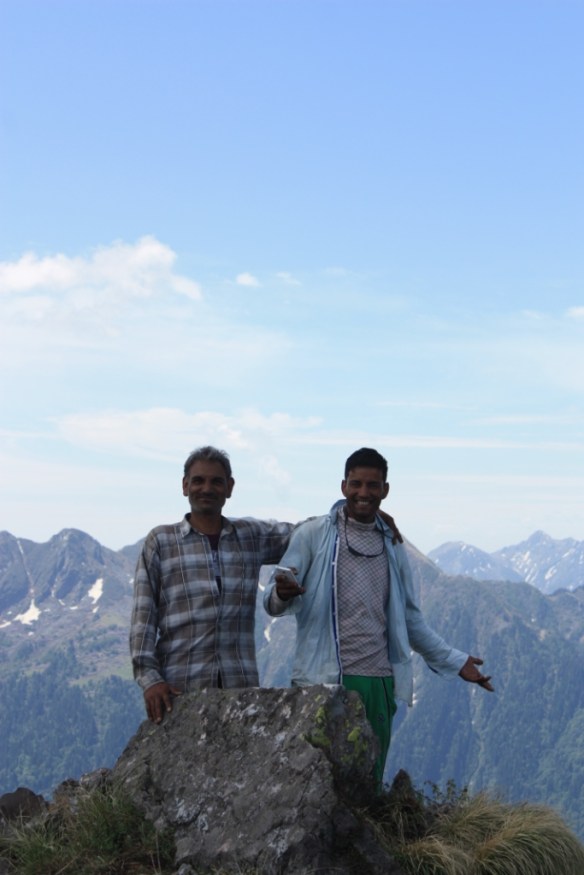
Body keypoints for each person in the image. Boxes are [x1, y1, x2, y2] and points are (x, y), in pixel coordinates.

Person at [264, 447, 493, 788]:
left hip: (379, 683)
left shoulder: (392, 545)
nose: (364, 492)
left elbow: (409, 621)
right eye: (356, 484)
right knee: (314, 785)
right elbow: (272, 601)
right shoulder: (313, 535)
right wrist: (282, 593)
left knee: (367, 785)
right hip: (321, 680)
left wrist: (455, 661)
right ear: (343, 486)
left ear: (385, 490)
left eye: (373, 485)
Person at [130, 445, 298, 724]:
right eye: (198, 481)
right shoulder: (160, 542)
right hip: (178, 694)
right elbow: (142, 620)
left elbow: (306, 535)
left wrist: (348, 512)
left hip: (241, 693)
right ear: (185, 486)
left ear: (229, 488)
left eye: (216, 482)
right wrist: (150, 680)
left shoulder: (250, 536)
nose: (206, 488)